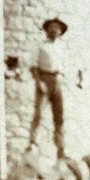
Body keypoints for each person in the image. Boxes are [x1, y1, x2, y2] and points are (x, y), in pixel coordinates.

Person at [28, 17, 70, 157]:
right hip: (44, 78)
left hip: (57, 80)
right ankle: (33, 142)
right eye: (51, 27)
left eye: (57, 28)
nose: (54, 30)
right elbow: (34, 66)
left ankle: (61, 148)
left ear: (60, 31)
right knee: (39, 113)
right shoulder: (40, 45)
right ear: (47, 30)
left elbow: (64, 66)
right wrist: (39, 82)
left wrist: (61, 77)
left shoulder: (62, 47)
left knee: (59, 116)